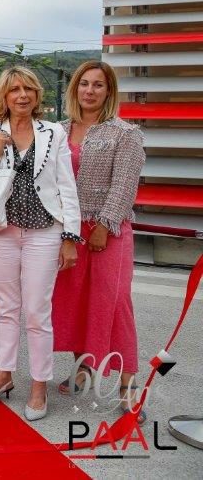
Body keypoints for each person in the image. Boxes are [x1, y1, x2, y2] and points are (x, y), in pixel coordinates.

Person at [0, 66, 80, 421]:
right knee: (6, 306)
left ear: (37, 95)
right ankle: (3, 375)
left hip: (44, 230)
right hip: (1, 230)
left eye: (28, 89)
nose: (22, 96)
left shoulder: (54, 132)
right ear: (4, 95)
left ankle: (39, 383)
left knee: (36, 310)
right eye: (14, 90)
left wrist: (70, 236)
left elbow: (65, 185)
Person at [54, 62, 146, 421]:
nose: (90, 91)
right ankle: (83, 368)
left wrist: (104, 225)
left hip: (109, 231)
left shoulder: (126, 133)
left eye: (98, 85)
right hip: (69, 231)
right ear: (75, 89)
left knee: (116, 304)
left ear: (109, 92)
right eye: (84, 84)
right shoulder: (59, 131)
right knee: (76, 301)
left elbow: (124, 185)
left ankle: (128, 387)